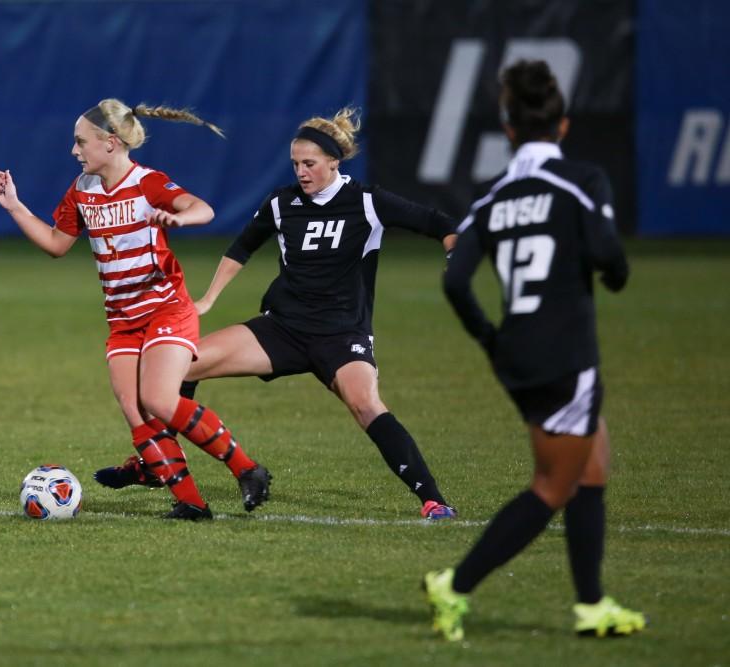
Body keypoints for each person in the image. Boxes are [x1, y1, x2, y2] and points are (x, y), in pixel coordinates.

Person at [96, 107, 458, 520]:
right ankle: (153, 465)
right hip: (281, 329)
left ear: (333, 163)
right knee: (183, 366)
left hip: (341, 334)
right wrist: (210, 298)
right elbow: (242, 248)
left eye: (310, 164)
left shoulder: (367, 202)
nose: (301, 172)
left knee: (366, 405)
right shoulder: (283, 203)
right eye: (295, 164)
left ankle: (433, 499)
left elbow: (436, 220)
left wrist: (453, 246)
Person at [423, 60, 646, 640]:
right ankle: (456, 585)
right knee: (553, 485)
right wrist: (615, 272)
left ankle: (592, 605)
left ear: (509, 129)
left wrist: (491, 340)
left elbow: (454, 281)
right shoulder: (581, 180)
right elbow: (609, 256)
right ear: (563, 127)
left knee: (591, 464)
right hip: (565, 353)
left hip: (517, 351)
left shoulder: (494, 197)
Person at [0, 99, 271, 521]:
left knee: (157, 399)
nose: (74, 150)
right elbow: (56, 244)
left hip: (166, 309)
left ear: (111, 142)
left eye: (80, 141)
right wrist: (15, 207)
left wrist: (182, 219)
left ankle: (248, 470)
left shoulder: (147, 182)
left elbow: (203, 208)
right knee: (133, 408)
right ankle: (192, 503)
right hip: (123, 319)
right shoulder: (82, 189)